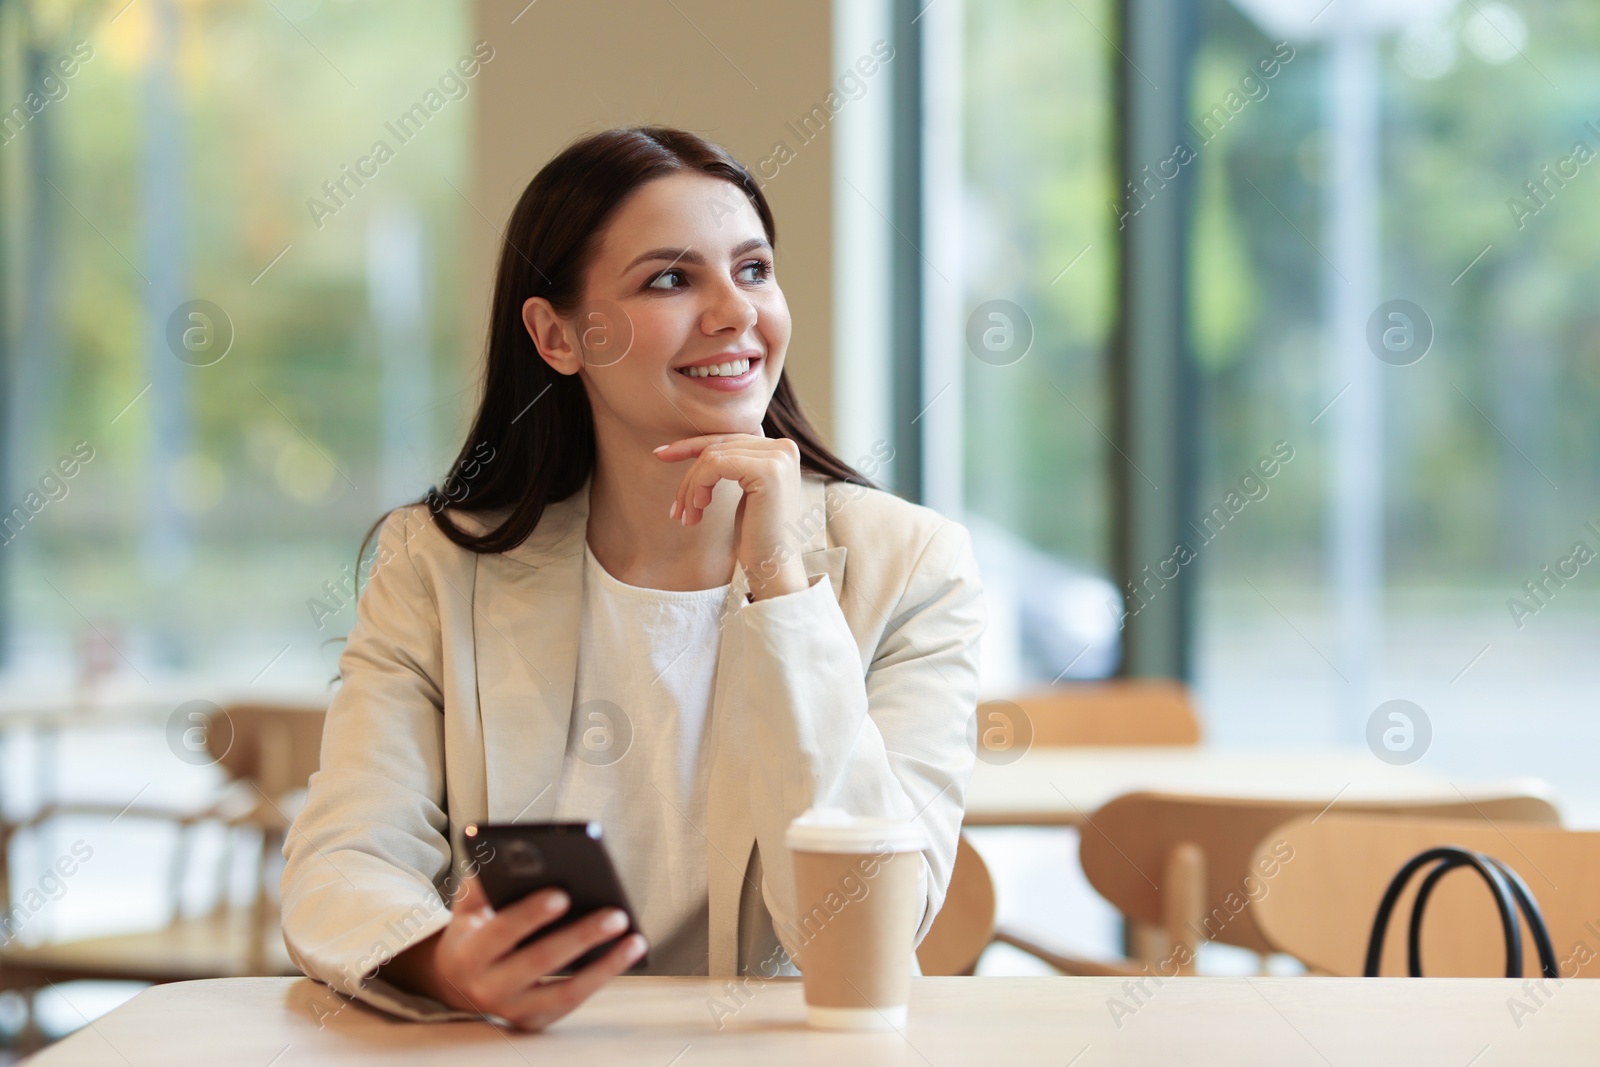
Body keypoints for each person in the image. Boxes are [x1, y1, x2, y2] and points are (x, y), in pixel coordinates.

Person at [280, 124, 986, 1031]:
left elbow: (851, 933)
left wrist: (781, 585)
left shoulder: (913, 567)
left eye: (755, 270)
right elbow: (343, 858)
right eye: (670, 278)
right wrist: (446, 964)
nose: (736, 313)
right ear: (556, 334)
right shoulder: (438, 565)